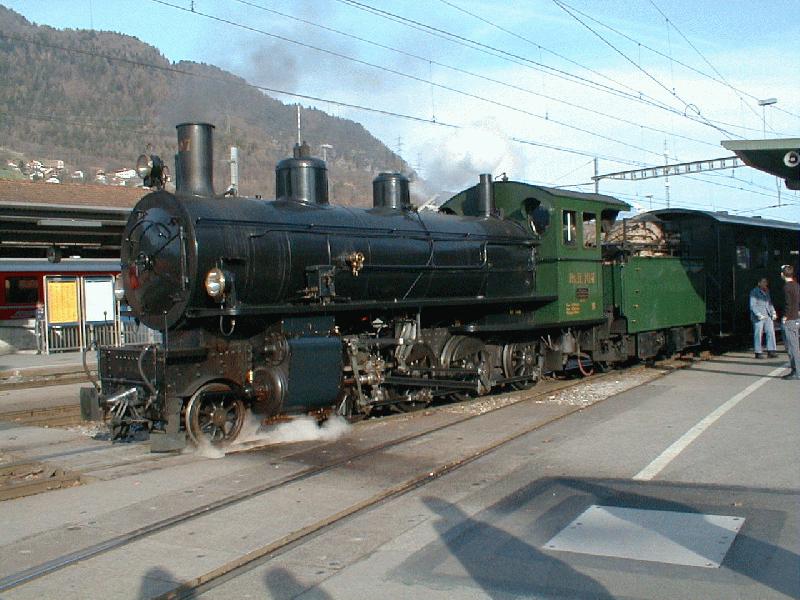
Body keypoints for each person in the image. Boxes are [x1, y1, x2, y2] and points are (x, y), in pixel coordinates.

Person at [780, 264, 800, 380]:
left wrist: (785, 317)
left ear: (783, 274)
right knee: (795, 345)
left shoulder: (786, 287)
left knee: (792, 347)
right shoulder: (796, 285)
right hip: (796, 318)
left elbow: (788, 304)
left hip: (790, 320)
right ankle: (796, 370)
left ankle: (796, 371)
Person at [749, 277, 778, 358]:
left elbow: (769, 303)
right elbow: (752, 305)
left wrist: (773, 312)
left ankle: (771, 350)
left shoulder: (767, 291)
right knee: (758, 333)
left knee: (771, 332)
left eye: (766, 282)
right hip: (759, 316)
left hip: (768, 315)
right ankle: (758, 352)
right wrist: (758, 314)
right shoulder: (754, 292)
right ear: (759, 283)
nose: (765, 284)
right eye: (764, 282)